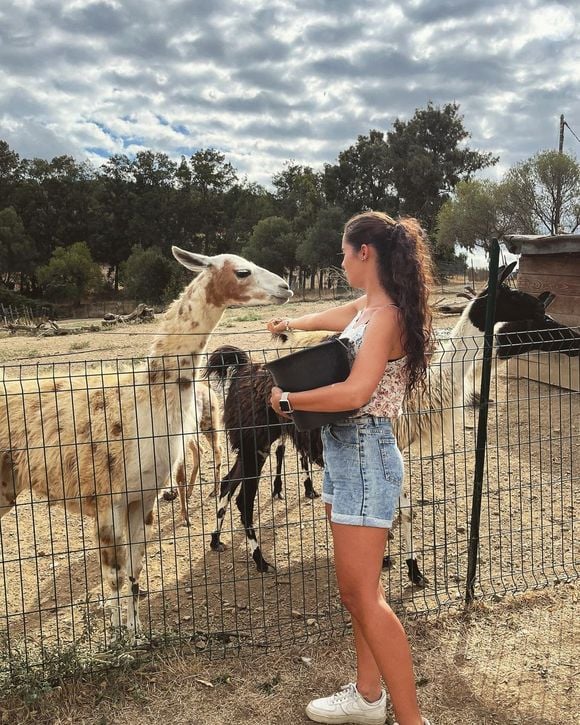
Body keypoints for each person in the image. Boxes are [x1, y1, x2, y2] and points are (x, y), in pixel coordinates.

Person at [267, 211, 433, 725]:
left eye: (343, 253)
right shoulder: (373, 308)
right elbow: (339, 314)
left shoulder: (386, 318)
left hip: (365, 451)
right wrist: (290, 324)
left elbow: (358, 391)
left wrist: (289, 400)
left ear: (365, 252)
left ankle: (410, 719)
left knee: (360, 593)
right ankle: (367, 696)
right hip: (346, 452)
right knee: (361, 590)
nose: (340, 263)